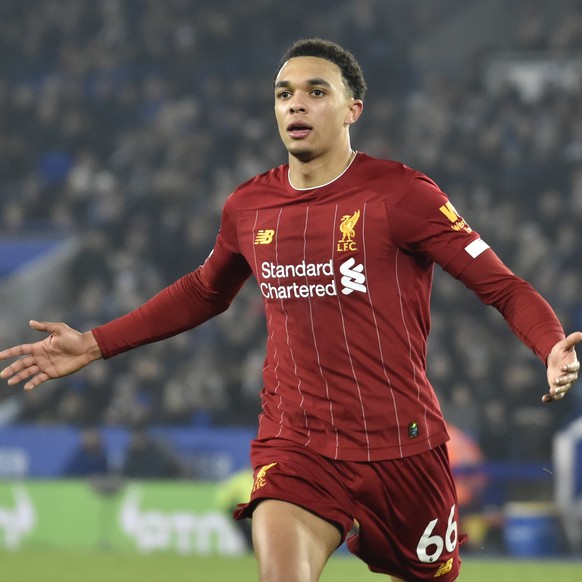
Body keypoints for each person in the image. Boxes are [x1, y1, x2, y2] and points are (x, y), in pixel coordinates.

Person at [0, 38, 580, 581]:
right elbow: (205, 290)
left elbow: (502, 286)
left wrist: (547, 343)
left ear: (354, 108)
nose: (295, 105)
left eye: (316, 92)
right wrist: (96, 343)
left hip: (401, 449)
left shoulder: (403, 196)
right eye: (284, 94)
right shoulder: (250, 206)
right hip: (296, 442)